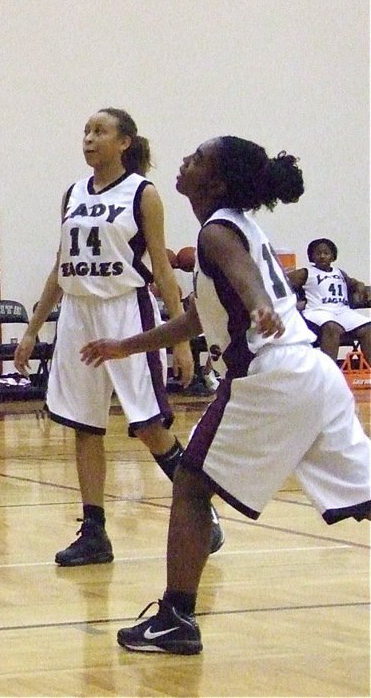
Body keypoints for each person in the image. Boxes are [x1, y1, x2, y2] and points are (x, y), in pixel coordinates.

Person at [81, 136, 370, 655]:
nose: (184, 161)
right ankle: (174, 618)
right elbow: (197, 319)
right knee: (366, 497)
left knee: (191, 484)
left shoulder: (217, 233)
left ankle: (175, 618)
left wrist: (260, 305)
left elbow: (246, 279)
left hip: (271, 376)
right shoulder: (238, 225)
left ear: (213, 182)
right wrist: (125, 345)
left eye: (196, 159)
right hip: (315, 376)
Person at [13, 108, 224, 567]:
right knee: (84, 425)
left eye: (99, 132)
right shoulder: (72, 193)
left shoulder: (143, 194)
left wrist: (179, 341)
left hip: (125, 310)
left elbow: (163, 270)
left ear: (124, 142)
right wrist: (32, 329)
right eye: (85, 131)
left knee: (149, 425)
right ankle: (94, 532)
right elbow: (59, 263)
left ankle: (201, 510)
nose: (89, 139)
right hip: (77, 314)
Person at [286, 238, 371, 361]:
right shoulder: (306, 273)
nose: (322, 256)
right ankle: (329, 371)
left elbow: (354, 283)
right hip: (318, 311)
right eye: (318, 253)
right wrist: (295, 302)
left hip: (342, 311)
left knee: (368, 328)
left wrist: (360, 287)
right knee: (331, 327)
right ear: (311, 256)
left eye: (326, 253)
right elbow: (282, 282)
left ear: (333, 257)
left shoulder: (340, 273)